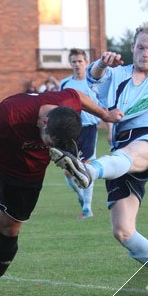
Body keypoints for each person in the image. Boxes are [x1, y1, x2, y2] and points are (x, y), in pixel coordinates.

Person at [0, 86, 122, 296]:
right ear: (44, 122)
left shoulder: (66, 104)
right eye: (48, 142)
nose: (48, 148)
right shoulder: (13, 111)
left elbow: (78, 97)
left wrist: (104, 115)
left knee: (10, 229)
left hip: (28, 174)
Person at [51, 23, 148, 296]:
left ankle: (87, 170)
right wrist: (101, 62)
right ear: (133, 48)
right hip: (120, 151)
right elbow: (91, 76)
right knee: (123, 231)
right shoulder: (116, 74)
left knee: (126, 155)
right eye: (140, 47)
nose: (145, 54)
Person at [59, 48, 102, 219]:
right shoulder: (64, 84)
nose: (77, 64)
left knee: (85, 168)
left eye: (80, 61)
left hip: (89, 129)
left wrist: (111, 128)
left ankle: (87, 208)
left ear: (86, 63)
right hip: (71, 131)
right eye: (74, 61)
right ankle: (81, 197)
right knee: (68, 172)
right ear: (70, 63)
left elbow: (104, 105)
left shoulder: (94, 83)